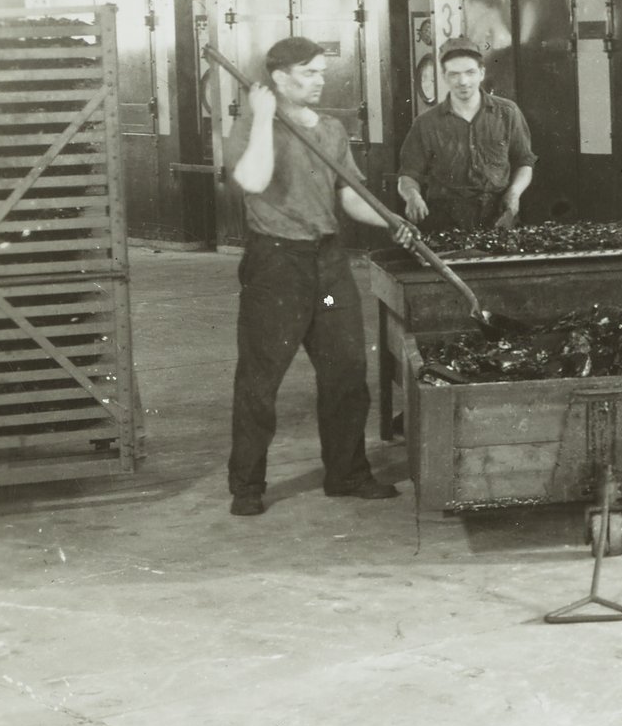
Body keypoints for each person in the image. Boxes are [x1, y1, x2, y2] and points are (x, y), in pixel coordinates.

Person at [225, 36, 407, 516]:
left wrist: (391, 221)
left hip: (327, 270)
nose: (320, 81)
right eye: (308, 73)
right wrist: (263, 118)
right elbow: (253, 181)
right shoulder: (251, 126)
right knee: (261, 378)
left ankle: (347, 473)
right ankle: (247, 486)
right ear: (279, 78)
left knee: (346, 367)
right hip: (277, 268)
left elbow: (348, 196)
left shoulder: (330, 130)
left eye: (321, 72)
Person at [395, 41, 536, 235]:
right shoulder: (425, 123)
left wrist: (514, 193)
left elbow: (524, 162)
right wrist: (412, 197)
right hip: (444, 221)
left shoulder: (508, 112)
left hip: (499, 216)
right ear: (444, 76)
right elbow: (408, 174)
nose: (463, 81)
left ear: (481, 73)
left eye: (470, 72)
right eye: (454, 74)